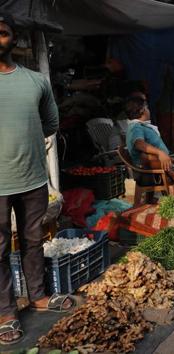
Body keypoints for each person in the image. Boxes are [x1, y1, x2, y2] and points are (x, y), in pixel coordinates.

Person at [0, 13, 76, 346]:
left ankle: (38, 297)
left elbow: (50, 123)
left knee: (33, 241)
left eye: (1, 32)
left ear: (13, 39)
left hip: (31, 178)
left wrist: (24, 147)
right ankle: (5, 313)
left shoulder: (35, 81)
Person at [124, 92, 174, 196]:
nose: (149, 111)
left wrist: (170, 159)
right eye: (147, 108)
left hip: (163, 167)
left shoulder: (140, 126)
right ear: (142, 111)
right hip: (157, 172)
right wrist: (160, 153)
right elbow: (139, 144)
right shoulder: (136, 127)